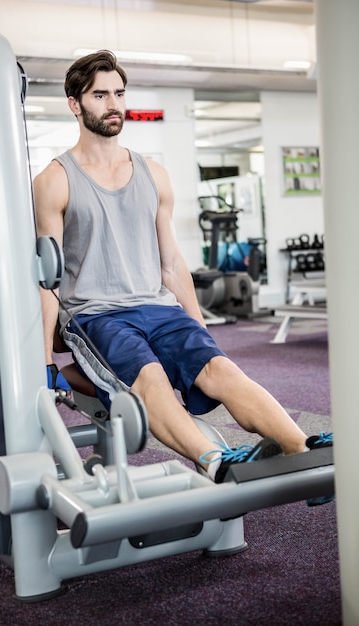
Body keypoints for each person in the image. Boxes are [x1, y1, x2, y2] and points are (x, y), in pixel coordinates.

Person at [33, 50, 332, 487]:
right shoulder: (54, 180)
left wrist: (200, 330)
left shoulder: (154, 174)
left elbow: (172, 264)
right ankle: (216, 462)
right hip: (97, 317)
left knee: (223, 371)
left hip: (160, 309)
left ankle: (302, 450)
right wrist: (44, 359)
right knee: (149, 379)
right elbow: (48, 279)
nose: (113, 104)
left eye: (119, 93)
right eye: (100, 95)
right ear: (75, 104)